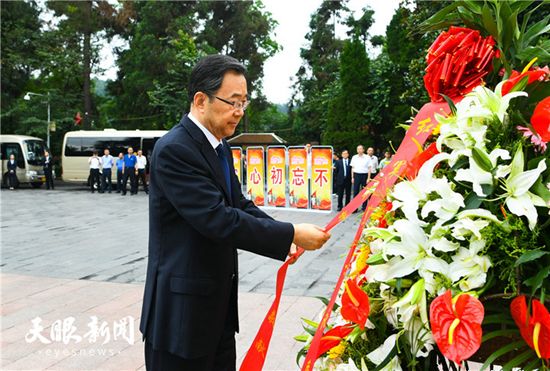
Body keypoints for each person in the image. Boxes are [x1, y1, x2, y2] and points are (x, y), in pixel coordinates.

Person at [140, 55, 331, 371]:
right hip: (180, 316)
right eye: (232, 102)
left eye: (244, 103)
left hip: (216, 311)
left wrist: (284, 235)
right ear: (201, 100)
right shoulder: (176, 149)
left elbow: (238, 204)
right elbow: (216, 218)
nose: (239, 112)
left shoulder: (220, 147)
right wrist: (292, 233)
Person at [350, 145, 368, 211]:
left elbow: (369, 168)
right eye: (358, 149)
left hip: (364, 175)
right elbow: (352, 168)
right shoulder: (354, 157)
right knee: (355, 192)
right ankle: (355, 208)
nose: (359, 150)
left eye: (360, 149)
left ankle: (364, 207)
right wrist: (352, 177)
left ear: (363, 150)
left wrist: (368, 178)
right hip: (356, 175)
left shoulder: (367, 157)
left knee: (365, 192)